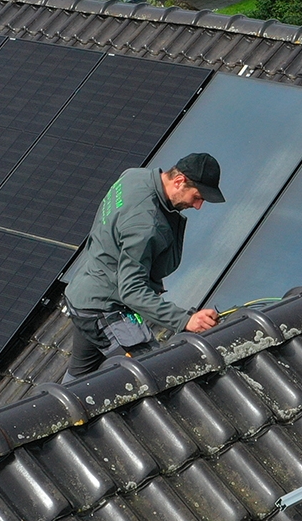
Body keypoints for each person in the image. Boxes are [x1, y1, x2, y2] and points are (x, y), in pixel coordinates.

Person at [62, 152, 225, 382]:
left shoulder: (134, 177)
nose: (198, 206)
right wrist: (185, 320)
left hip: (86, 290)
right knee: (154, 373)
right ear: (179, 182)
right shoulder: (145, 224)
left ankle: (52, 411)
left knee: (79, 377)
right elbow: (132, 291)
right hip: (104, 307)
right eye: (197, 197)